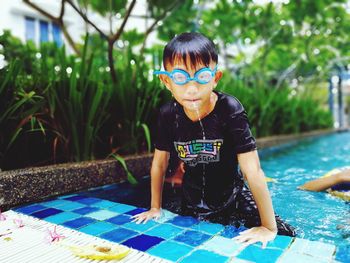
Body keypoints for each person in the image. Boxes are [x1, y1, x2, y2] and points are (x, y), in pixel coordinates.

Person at [132, 32, 296, 247]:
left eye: (201, 77)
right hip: (191, 200)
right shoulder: (167, 114)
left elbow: (252, 170)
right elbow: (160, 163)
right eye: (180, 78)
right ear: (167, 81)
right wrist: (155, 207)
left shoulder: (229, 109)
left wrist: (268, 227)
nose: (192, 89)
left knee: (286, 235)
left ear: (215, 78)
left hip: (232, 197)